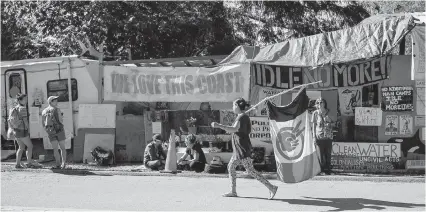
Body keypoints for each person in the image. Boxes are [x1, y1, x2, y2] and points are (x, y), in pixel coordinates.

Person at [211, 97, 278, 199]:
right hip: (239, 149)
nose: (232, 107)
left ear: (237, 106)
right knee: (232, 167)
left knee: (250, 170)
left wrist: (219, 125)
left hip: (242, 149)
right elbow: (235, 130)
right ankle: (233, 191)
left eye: (233, 105)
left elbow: (234, 129)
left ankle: (271, 187)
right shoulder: (242, 117)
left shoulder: (242, 117)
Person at [8, 93, 38, 168]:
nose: (26, 100)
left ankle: (17, 164)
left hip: (16, 130)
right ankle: (29, 163)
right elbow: (25, 121)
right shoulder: (23, 109)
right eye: (25, 99)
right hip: (22, 131)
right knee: (30, 146)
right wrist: (28, 129)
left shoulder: (15, 108)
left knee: (21, 147)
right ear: (20, 100)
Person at [42, 96, 67, 169]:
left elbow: (43, 123)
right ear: (51, 102)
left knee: (55, 149)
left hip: (51, 131)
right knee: (63, 148)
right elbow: (60, 121)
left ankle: (57, 164)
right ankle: (64, 164)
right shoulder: (57, 109)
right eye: (55, 100)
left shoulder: (44, 111)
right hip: (59, 130)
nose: (57, 102)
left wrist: (48, 130)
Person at [311, 97, 334, 175]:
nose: (320, 104)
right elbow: (313, 126)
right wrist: (314, 137)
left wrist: (330, 122)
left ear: (324, 103)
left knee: (328, 154)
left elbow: (334, 123)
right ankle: (322, 170)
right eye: (318, 103)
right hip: (319, 136)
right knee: (320, 155)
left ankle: (328, 170)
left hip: (328, 136)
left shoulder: (329, 112)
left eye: (321, 102)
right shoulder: (315, 113)